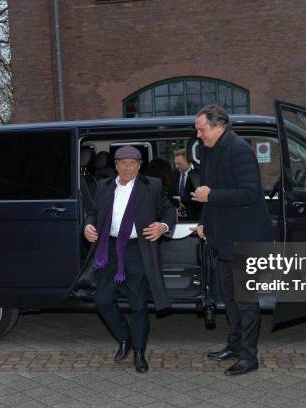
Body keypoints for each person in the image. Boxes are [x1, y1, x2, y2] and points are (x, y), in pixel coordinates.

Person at [191, 105, 273, 376]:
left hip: (246, 238)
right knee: (230, 298)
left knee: (246, 301)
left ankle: (250, 357)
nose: (198, 135)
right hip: (224, 239)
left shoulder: (239, 149)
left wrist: (210, 196)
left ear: (218, 126)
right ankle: (235, 345)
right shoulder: (208, 150)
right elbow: (206, 193)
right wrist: (204, 221)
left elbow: (249, 193)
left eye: (201, 129)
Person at [84, 145, 176, 373]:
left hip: (138, 249)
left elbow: (169, 211)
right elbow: (94, 212)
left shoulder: (151, 186)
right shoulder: (104, 186)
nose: (127, 167)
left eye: (132, 163)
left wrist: (163, 226)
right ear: (115, 165)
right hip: (110, 248)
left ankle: (139, 352)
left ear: (139, 165)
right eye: (122, 163)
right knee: (102, 300)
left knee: (138, 305)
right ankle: (124, 337)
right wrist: (88, 225)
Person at [171, 149, 201, 221]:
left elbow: (201, 198)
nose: (176, 166)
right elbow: (170, 193)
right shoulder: (174, 173)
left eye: (179, 163)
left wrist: (182, 199)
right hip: (178, 218)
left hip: (196, 218)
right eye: (175, 163)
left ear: (189, 161)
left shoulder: (199, 174)